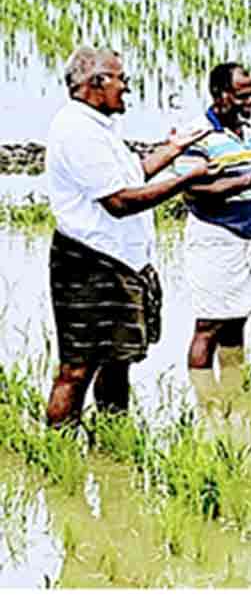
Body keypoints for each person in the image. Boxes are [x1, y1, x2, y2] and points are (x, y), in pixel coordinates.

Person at [43, 47, 213, 427]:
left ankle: (114, 439)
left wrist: (174, 149)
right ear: (97, 82)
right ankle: (58, 448)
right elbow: (118, 201)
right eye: (121, 79)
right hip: (91, 264)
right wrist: (186, 180)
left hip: (120, 262)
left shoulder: (97, 127)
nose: (127, 87)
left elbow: (130, 175)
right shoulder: (76, 131)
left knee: (118, 361)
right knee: (77, 368)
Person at [176, 63, 251, 415]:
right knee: (209, 324)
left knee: (237, 319)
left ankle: (233, 394)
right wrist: (250, 182)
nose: (249, 101)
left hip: (250, 239)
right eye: (242, 95)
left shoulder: (250, 132)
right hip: (216, 239)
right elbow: (193, 189)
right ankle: (206, 404)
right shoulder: (197, 135)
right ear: (220, 94)